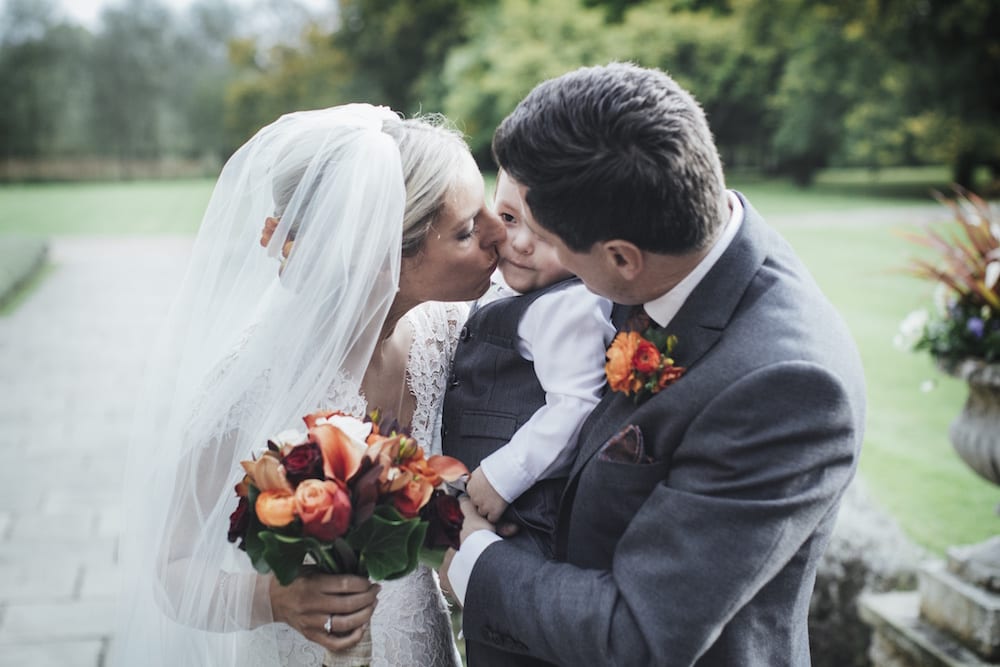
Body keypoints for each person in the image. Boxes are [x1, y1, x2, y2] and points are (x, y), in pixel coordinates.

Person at [440, 63, 867, 666]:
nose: (524, 250)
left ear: (621, 258)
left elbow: (641, 635)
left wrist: (477, 557)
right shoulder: (675, 249)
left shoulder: (789, 387)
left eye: (550, 240)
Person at [113, 104, 505, 666]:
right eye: (468, 230)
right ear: (382, 258)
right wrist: (273, 597)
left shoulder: (449, 332)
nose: (500, 234)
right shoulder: (254, 381)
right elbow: (168, 567)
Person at [441, 168, 616, 556]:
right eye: (508, 218)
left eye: (546, 233)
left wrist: (505, 476)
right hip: (492, 500)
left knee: (504, 605)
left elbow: (576, 406)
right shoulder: (514, 286)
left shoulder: (572, 305)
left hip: (529, 508)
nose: (520, 243)